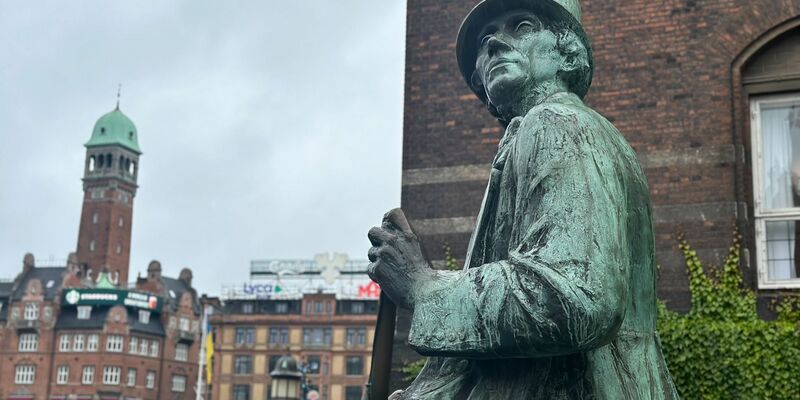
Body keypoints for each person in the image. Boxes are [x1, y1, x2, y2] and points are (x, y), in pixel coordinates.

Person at [367, 0, 680, 398]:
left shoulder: (556, 124)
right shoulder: (544, 135)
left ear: (567, 53)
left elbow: (575, 298)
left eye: (523, 26)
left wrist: (423, 286)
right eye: (485, 38)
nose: (494, 43)